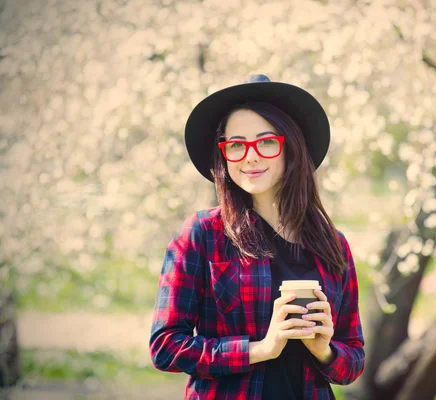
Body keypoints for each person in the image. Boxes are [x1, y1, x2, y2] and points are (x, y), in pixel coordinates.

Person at [149, 74, 364, 400]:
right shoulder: (204, 234)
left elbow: (354, 361)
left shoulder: (333, 244)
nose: (250, 156)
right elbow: (165, 347)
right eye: (236, 145)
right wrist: (261, 348)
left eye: (266, 142)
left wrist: (325, 350)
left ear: (291, 147)